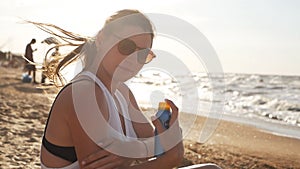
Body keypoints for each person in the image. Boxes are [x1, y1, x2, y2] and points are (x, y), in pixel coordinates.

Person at [38, 9, 221, 169]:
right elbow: (163, 151)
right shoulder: (84, 92)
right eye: (126, 46)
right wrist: (170, 157)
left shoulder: (123, 93)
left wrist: (136, 150)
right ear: (102, 39)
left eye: (142, 54)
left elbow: (155, 146)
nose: (133, 59)